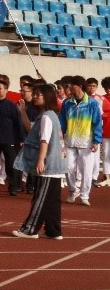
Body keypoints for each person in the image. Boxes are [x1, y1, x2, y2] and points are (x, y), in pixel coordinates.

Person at [13, 83, 66, 239]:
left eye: (38, 94)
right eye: (34, 94)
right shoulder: (48, 115)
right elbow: (31, 130)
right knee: (52, 201)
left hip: (50, 164)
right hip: (56, 164)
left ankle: (30, 229)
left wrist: (40, 160)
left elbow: (44, 141)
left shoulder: (47, 117)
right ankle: (53, 231)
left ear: (47, 97)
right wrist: (23, 112)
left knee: (40, 198)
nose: (34, 97)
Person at [60, 76, 103, 205]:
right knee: (68, 167)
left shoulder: (92, 103)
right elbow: (62, 121)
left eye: (72, 85)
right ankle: (73, 191)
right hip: (70, 141)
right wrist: (60, 136)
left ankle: (85, 195)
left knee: (86, 170)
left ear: (79, 86)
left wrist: (96, 141)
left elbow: (97, 122)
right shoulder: (67, 103)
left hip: (86, 142)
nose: (69, 87)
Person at [0, 75, 25, 196]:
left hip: (9, 139)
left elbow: (18, 122)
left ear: (6, 90)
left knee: (11, 164)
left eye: (0, 88)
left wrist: (21, 138)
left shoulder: (11, 105)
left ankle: (13, 186)